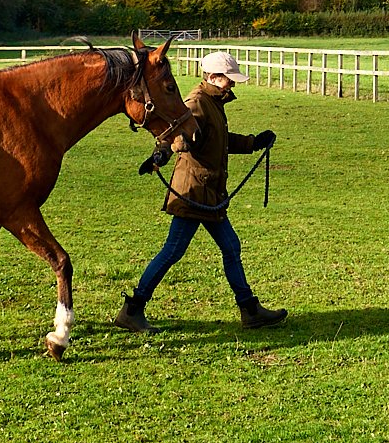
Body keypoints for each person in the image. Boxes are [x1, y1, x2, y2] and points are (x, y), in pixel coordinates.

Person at [109, 49, 286, 332]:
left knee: (230, 247)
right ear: (214, 77)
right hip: (193, 193)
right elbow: (176, 134)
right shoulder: (197, 102)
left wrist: (254, 142)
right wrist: (162, 155)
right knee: (172, 252)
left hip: (209, 193)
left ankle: (250, 310)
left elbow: (219, 140)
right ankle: (133, 309)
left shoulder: (214, 102)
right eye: (229, 78)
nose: (233, 84)